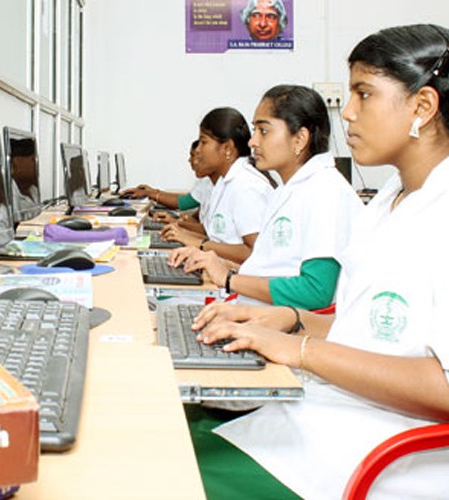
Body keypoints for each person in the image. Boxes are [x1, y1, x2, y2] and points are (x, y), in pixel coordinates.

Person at [186, 24, 449, 499]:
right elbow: (373, 329)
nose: (347, 112)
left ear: (422, 107)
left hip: (378, 457)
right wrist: (290, 320)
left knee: (169, 465)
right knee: (175, 422)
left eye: (363, 94)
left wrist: (301, 349)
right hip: (330, 418)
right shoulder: (391, 198)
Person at [169, 85, 363, 310]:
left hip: (286, 330)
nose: (252, 142)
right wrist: (222, 265)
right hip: (259, 314)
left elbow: (316, 291)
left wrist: (230, 279)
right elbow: (274, 268)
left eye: (263, 131)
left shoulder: (325, 192)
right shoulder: (290, 190)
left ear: (299, 139)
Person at [158, 107, 274, 263]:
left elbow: (255, 253)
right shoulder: (224, 183)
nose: (197, 150)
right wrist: (184, 235)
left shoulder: (246, 186)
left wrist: (199, 244)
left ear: (227, 149)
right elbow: (219, 240)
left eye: (204, 142)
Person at [120, 140, 213, 217]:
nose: (190, 160)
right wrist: (153, 192)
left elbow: (183, 202)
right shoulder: (206, 181)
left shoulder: (208, 182)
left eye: (192, 155)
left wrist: (150, 194)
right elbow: (187, 199)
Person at [9, 137, 41, 218]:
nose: (37, 165)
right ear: (15, 162)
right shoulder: (9, 196)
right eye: (33, 160)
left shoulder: (33, 190)